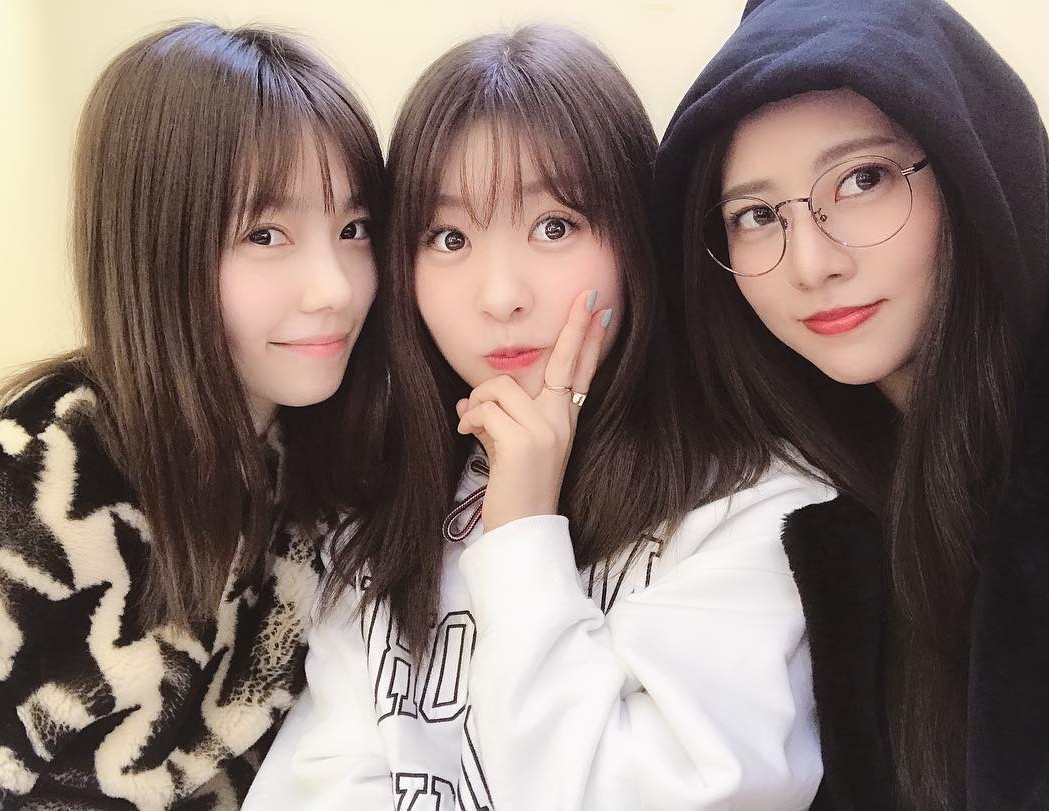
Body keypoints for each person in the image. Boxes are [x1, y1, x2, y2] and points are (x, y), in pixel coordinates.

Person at [246, 25, 834, 810]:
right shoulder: (380, 521)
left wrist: (523, 530)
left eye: (554, 226)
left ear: (635, 235)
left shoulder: (757, 512)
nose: (501, 297)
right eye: (449, 237)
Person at [0, 21, 387, 809]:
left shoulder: (328, 464)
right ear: (155, 247)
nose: (335, 287)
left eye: (353, 229)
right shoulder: (25, 492)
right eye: (266, 234)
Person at [652, 0, 1049, 807]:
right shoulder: (802, 504)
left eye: (863, 179)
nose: (811, 263)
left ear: (971, 163)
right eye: (756, 215)